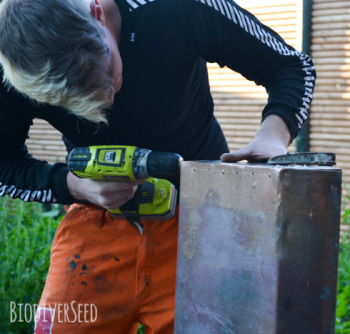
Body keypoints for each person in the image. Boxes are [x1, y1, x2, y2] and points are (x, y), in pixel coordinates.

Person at [0, 0, 316, 332]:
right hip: (96, 217)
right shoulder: (16, 68)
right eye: (75, 104)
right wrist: (72, 186)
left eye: (105, 74)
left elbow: (293, 66)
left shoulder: (176, 9)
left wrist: (274, 135)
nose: (107, 101)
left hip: (202, 217)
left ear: (97, 14)